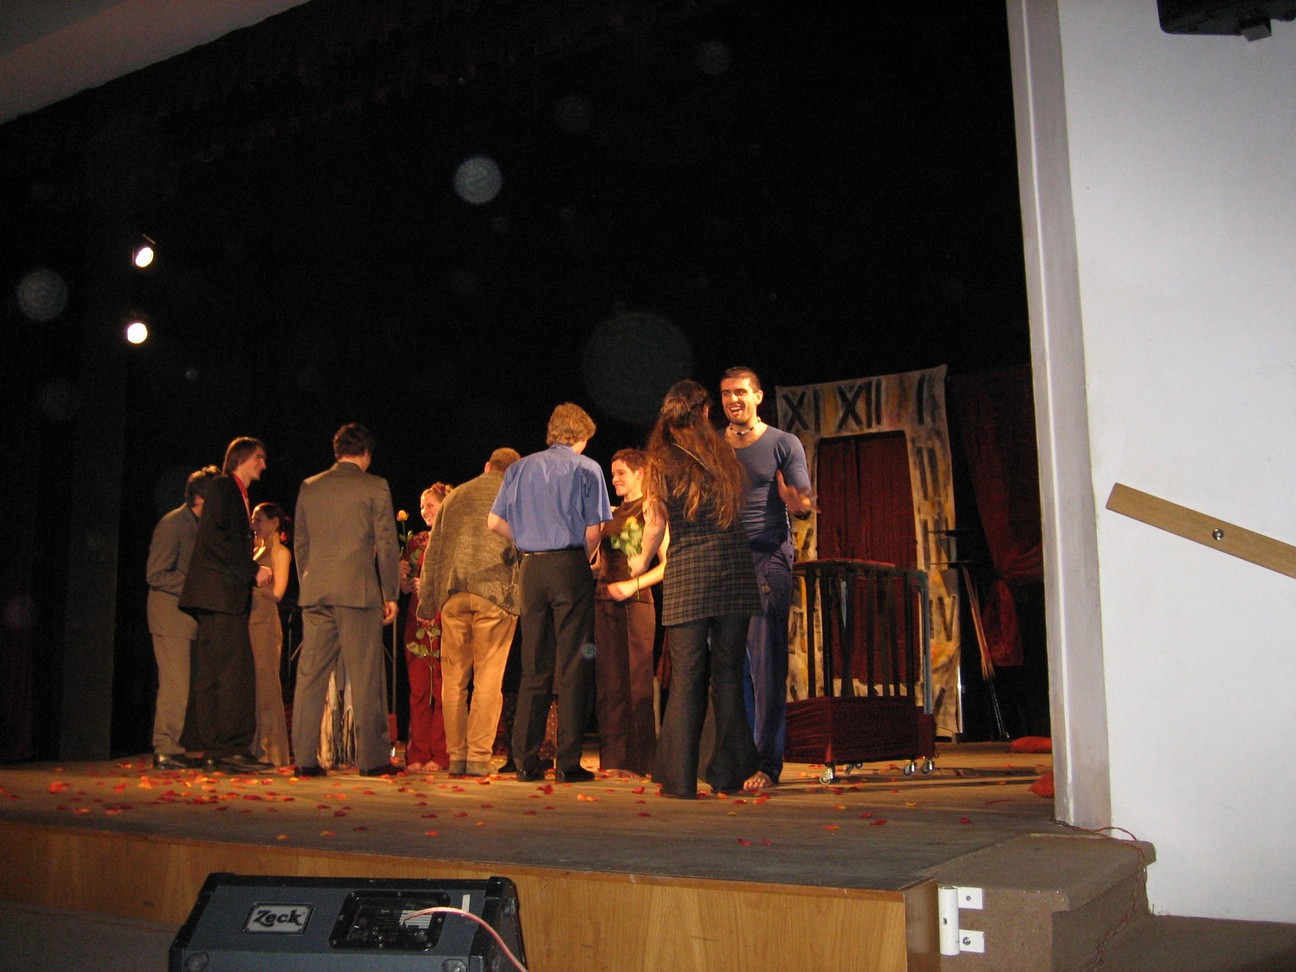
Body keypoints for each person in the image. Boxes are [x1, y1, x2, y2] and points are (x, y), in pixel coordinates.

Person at [629, 380, 762, 798]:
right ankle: (727, 773)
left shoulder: (661, 459)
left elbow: (655, 523)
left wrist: (637, 563)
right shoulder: (724, 453)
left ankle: (680, 779)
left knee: (687, 676)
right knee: (728, 674)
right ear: (704, 412)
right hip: (734, 571)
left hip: (689, 573)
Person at [488, 403, 612, 784]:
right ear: (582, 436)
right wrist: (584, 558)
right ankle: (567, 763)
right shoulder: (587, 468)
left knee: (534, 665)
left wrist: (526, 540)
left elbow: (494, 522)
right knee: (574, 664)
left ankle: (525, 761)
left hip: (532, 570)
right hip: (569, 565)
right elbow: (594, 530)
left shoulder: (519, 468)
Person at [720, 365, 815, 791]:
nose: (733, 400)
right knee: (729, 666)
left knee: (765, 664)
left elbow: (803, 498)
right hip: (722, 562)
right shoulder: (714, 446)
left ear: (758, 396)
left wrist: (798, 505)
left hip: (767, 557)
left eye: (741, 392)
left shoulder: (782, 442)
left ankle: (766, 763)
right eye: (726, 393)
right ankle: (740, 757)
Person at [290, 423, 401, 778]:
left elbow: (301, 543)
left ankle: (304, 760)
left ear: (337, 452)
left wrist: (310, 581)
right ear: (365, 453)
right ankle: (372, 759)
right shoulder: (374, 485)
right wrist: (390, 593)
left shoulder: (310, 486)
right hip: (358, 592)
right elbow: (386, 543)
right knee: (366, 675)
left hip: (316, 593)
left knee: (310, 677)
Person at [419, 448, 522, 777]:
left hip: (453, 594)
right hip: (495, 594)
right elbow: (525, 547)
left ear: (487, 466)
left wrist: (426, 603)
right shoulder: (515, 495)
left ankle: (457, 756)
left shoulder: (455, 496)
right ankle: (478, 757)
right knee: (488, 679)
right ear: (514, 471)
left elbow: (433, 552)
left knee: (454, 682)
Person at [178, 438, 274, 773]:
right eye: (259, 458)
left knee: (216, 672)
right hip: (219, 596)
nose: (263, 465)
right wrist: (252, 570)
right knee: (232, 672)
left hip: (219, 596)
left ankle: (214, 747)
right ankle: (229, 747)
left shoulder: (235, 493)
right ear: (242, 458)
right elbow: (217, 540)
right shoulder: (224, 488)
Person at [146, 465, 219, 770]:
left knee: (184, 685)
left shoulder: (198, 525)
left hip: (187, 618)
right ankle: (166, 748)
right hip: (170, 617)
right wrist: (196, 584)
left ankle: (176, 746)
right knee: (175, 685)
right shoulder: (173, 524)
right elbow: (156, 573)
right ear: (200, 498)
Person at [594, 448, 660, 777]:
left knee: (636, 683)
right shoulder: (609, 513)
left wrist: (632, 585)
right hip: (604, 601)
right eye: (613, 474)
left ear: (640, 473)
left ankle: (639, 761)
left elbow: (667, 564)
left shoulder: (652, 509)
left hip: (636, 602)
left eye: (621, 473)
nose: (615, 479)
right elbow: (598, 561)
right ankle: (614, 761)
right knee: (609, 683)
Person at [400, 482, 453, 773]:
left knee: (443, 689)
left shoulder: (454, 540)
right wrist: (404, 580)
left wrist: (432, 587)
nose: (424, 511)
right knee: (419, 689)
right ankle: (417, 752)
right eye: (422, 506)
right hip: (416, 619)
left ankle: (442, 753)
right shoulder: (417, 541)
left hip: (444, 619)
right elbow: (404, 586)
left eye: (430, 505)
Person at [249, 501, 292, 767]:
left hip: (264, 622)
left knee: (267, 686)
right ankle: (254, 747)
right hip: (250, 620)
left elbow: (278, 592)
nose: (254, 525)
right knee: (253, 686)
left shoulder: (280, 552)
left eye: (259, 520)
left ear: (274, 523)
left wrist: (251, 583)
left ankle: (271, 750)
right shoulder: (257, 550)